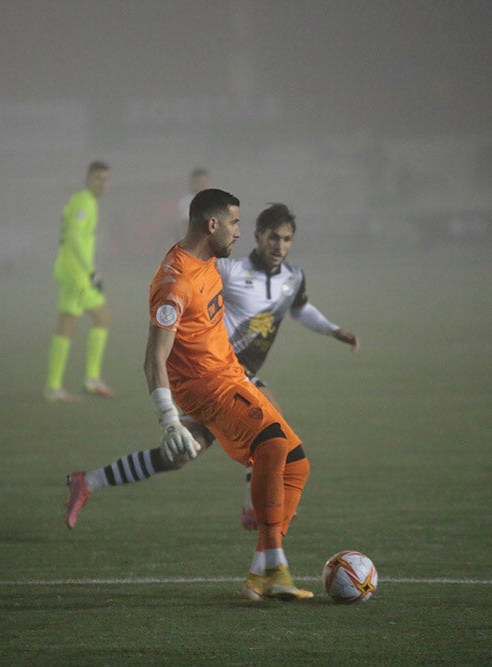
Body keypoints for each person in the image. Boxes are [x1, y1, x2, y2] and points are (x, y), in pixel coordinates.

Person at [67, 189, 315, 600]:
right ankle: (273, 566)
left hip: (232, 377)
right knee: (270, 447)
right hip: (209, 389)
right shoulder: (175, 282)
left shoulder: (208, 262)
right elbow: (153, 358)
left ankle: (262, 570)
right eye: (235, 223)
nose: (240, 232)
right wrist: (167, 419)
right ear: (212, 225)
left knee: (296, 465)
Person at [65, 202, 359, 532]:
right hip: (216, 375)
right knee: (272, 426)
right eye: (273, 238)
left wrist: (333, 330)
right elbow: (188, 275)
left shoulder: (293, 278)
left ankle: (89, 481)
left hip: (230, 383)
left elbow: (301, 310)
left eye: (287, 239)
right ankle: (255, 509)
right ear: (258, 237)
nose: (280, 246)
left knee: (179, 456)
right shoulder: (231, 271)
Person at [44, 161, 115, 402]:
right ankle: (59, 386)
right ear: (87, 178)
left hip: (77, 273)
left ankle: (84, 380)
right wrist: (90, 270)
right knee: (77, 322)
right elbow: (74, 238)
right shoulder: (83, 202)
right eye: (98, 178)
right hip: (76, 274)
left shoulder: (87, 201)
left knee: (96, 319)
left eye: (106, 179)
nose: (103, 183)